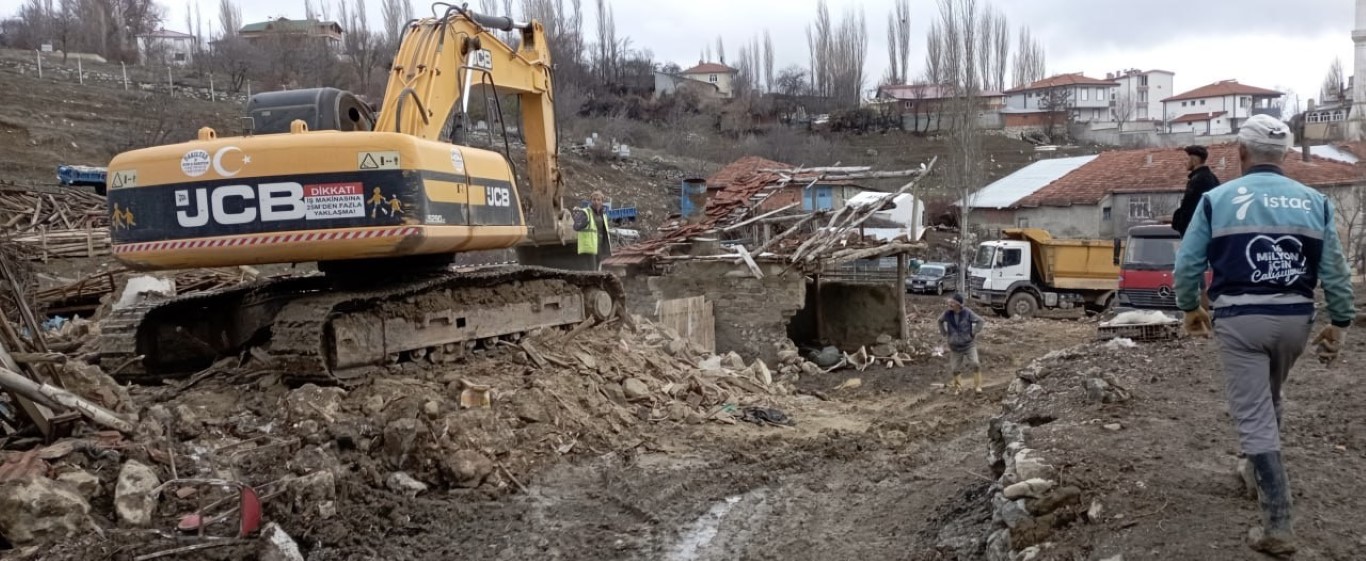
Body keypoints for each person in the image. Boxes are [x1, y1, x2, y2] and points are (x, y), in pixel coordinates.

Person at [1174, 114, 1355, 556]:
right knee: (1270, 396)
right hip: (1296, 319)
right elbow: (1335, 270)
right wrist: (1340, 321)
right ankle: (1255, 474)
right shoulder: (1316, 201)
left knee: (1253, 414)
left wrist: (1190, 307)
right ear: (1286, 154)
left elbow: (1187, 265)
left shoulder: (1217, 199)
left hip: (1240, 320)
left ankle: (1278, 523)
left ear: (1240, 153)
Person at [938, 293, 985, 394]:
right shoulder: (947, 313)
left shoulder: (967, 312)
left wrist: (973, 332)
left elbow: (981, 321)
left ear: (958, 304)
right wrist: (944, 333)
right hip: (955, 347)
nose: (950, 304)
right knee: (955, 369)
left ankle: (977, 386)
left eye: (952, 302)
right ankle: (958, 387)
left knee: (975, 364)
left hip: (968, 345)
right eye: (950, 302)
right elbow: (939, 321)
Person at [1171, 145, 1222, 236]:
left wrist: (1179, 223)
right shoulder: (1212, 177)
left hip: (1197, 233)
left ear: (1194, 161)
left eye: (1187, 159)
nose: (1185, 163)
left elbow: (1189, 209)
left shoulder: (1197, 180)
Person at [572, 191, 612, 270]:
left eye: (598, 200)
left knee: (598, 270)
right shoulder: (585, 212)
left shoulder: (603, 215)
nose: (596, 202)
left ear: (602, 201)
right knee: (591, 271)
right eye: (594, 200)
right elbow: (576, 227)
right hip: (589, 248)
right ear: (591, 201)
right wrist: (582, 222)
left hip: (599, 247)